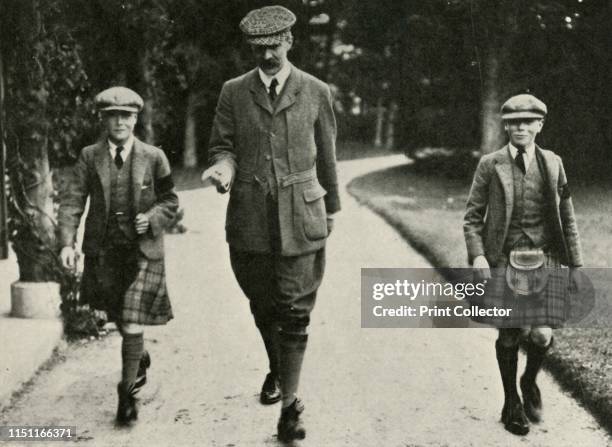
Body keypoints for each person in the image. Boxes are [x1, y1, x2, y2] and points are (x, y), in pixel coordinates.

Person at [203, 5, 340, 441]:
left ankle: (290, 407)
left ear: (290, 42)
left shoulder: (316, 91)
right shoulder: (233, 92)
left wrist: (331, 208)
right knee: (263, 303)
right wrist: (223, 170)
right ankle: (277, 369)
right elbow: (221, 147)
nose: (267, 56)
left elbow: (328, 155)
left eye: (275, 47)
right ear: (251, 48)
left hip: (302, 214)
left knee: (295, 310)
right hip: (250, 217)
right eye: (259, 48)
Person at [58, 86, 178, 426]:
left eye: (126, 115)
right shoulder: (88, 156)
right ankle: (138, 355)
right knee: (118, 317)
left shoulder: (154, 157)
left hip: (143, 252)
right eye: (113, 116)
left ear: (135, 118)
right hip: (104, 252)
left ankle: (126, 397)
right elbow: (72, 202)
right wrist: (67, 243)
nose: (120, 122)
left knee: (130, 320)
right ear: (103, 119)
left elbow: (170, 201)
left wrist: (152, 219)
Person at [464, 93, 583, 436]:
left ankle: (529, 381)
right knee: (511, 332)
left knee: (542, 334)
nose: (520, 128)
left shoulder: (553, 163)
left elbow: (567, 217)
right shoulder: (490, 164)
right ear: (505, 125)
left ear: (539, 125)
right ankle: (511, 403)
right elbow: (472, 217)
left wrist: (575, 265)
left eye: (528, 121)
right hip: (504, 258)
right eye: (514, 122)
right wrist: (478, 255)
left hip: (545, 257)